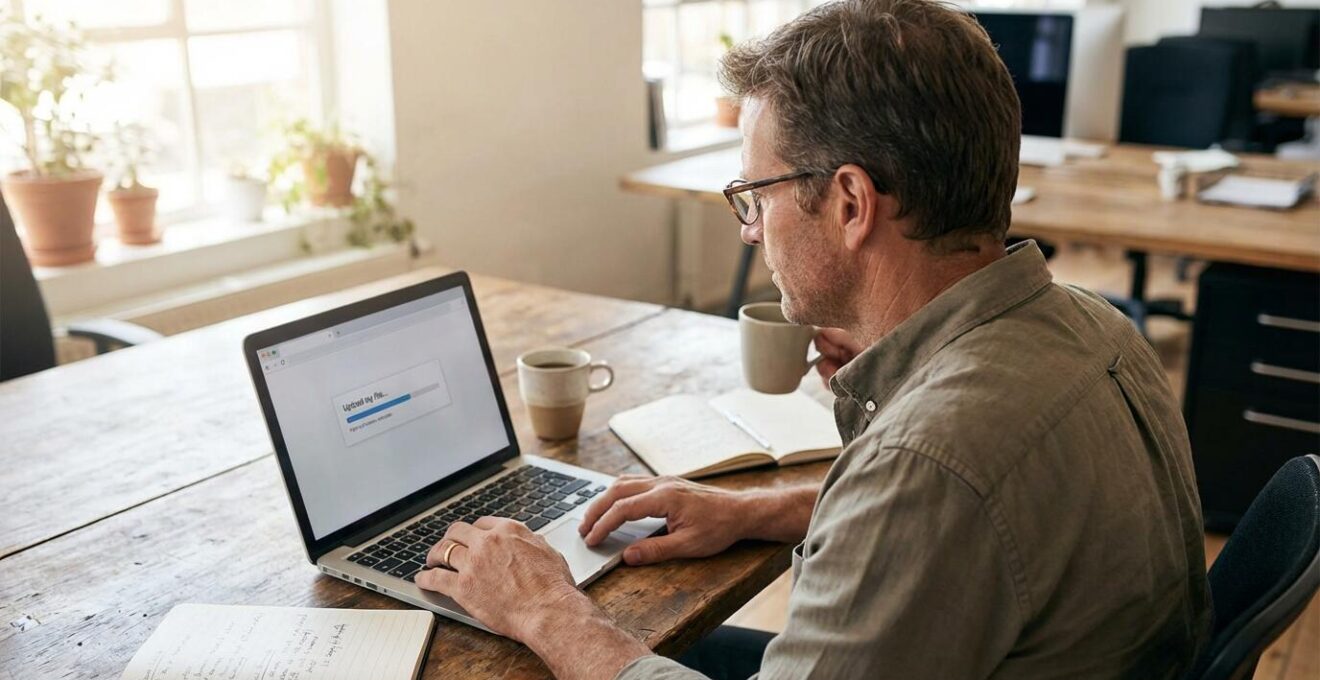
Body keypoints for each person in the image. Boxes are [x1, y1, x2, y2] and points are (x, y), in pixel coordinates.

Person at [413, 1, 1212, 678]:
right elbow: (963, 526)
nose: (751, 233)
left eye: (756, 197)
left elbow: (932, 493)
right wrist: (761, 509)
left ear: (851, 204)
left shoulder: (929, 463)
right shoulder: (1095, 326)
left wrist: (546, 609)